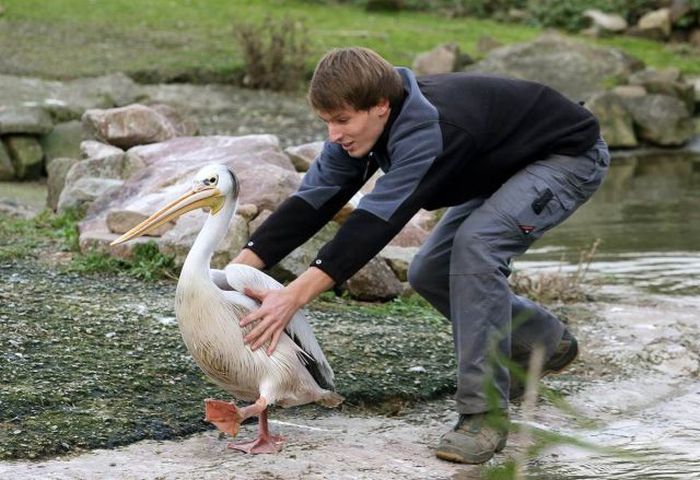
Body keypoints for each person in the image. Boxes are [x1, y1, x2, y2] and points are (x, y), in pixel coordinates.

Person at [230, 46, 609, 464]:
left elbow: (376, 223)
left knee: (475, 251)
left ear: (379, 106)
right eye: (327, 122)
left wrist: (293, 296)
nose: (334, 134)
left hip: (564, 158)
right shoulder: (361, 127)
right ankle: (542, 343)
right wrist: (230, 275)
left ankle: (483, 417)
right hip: (500, 165)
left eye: (341, 121)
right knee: (430, 271)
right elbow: (312, 201)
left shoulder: (430, 128)